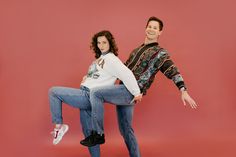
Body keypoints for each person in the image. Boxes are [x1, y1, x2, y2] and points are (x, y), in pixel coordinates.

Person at [80, 16, 197, 157]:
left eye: (155, 28)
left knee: (96, 93)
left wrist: (183, 90)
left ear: (160, 32)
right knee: (125, 129)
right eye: (150, 26)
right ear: (145, 28)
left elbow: (172, 70)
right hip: (123, 90)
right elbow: (121, 70)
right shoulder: (137, 50)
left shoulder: (160, 53)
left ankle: (98, 134)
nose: (151, 29)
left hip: (130, 92)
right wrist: (93, 75)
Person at [48, 30, 142, 157]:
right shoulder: (100, 59)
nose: (101, 45)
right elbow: (97, 76)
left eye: (104, 42)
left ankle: (59, 127)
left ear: (110, 43)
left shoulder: (111, 59)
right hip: (87, 93)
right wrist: (86, 77)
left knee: (54, 92)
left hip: (89, 95)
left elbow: (126, 74)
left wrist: (136, 92)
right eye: (98, 43)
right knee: (89, 134)